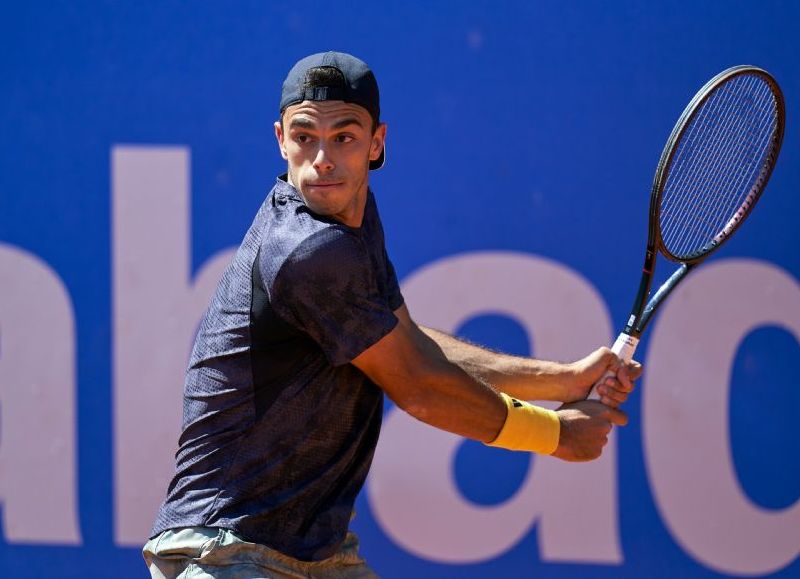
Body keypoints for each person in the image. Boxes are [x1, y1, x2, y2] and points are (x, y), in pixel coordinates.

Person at [143, 51, 641, 579]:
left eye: (344, 137)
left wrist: (562, 379)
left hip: (314, 553)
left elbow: (406, 343)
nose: (322, 159)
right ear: (280, 139)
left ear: (377, 142)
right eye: (304, 136)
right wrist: (556, 434)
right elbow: (418, 385)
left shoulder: (352, 222)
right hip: (226, 549)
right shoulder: (309, 250)